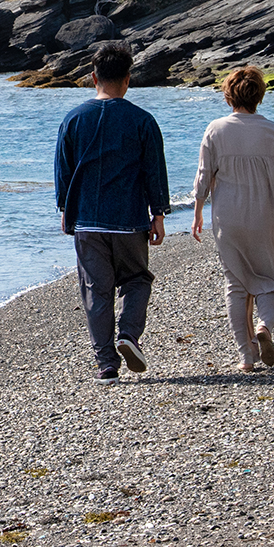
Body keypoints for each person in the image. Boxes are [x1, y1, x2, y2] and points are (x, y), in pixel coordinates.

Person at [54, 40, 169, 383]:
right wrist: (159, 213)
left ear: (93, 78)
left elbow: (63, 171)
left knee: (96, 290)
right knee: (137, 280)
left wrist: (65, 209)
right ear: (128, 79)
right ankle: (128, 335)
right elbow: (154, 170)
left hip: (88, 220)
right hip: (129, 219)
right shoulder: (142, 120)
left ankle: (106, 364)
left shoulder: (74, 119)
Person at [191, 66, 274, 373]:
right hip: (268, 216)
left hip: (228, 218)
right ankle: (264, 326)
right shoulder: (273, 130)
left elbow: (204, 177)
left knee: (236, 283)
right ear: (259, 95)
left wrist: (197, 211)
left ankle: (246, 357)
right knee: (272, 279)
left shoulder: (215, 129)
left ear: (228, 95)